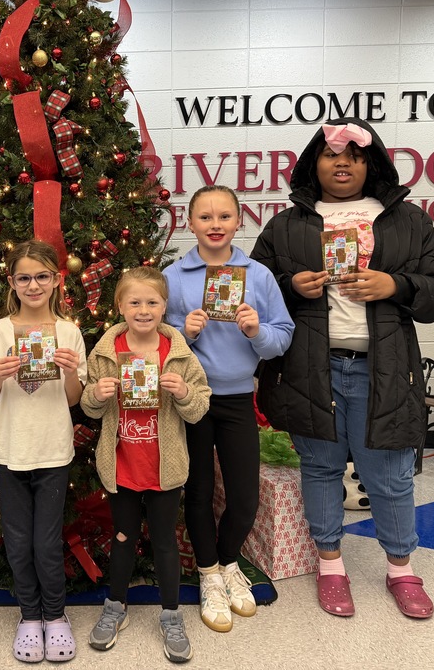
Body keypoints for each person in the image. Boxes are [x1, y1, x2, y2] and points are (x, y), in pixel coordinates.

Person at [250, 118, 434, 620]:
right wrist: (288, 285)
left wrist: (397, 286)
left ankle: (402, 570)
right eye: (330, 154)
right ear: (312, 163)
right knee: (320, 468)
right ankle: (331, 568)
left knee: (389, 474)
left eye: (355, 156)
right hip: (309, 366)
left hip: (381, 368)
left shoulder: (406, 220)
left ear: (373, 163)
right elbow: (253, 289)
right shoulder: (288, 224)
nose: (342, 163)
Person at [163, 185, 294, 633]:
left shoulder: (256, 275)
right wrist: (186, 331)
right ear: (190, 223)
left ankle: (227, 561)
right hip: (191, 399)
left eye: (224, 216)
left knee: (244, 497)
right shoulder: (174, 276)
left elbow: (283, 337)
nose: (214, 225)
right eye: (204, 217)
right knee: (197, 492)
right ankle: (208, 575)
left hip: (239, 397)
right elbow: (154, 342)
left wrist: (258, 331)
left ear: (240, 221)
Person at [81, 267, 212, 664]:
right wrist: (97, 395)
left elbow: (200, 406)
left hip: (165, 468)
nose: (143, 309)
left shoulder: (177, 352)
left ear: (164, 306)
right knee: (122, 537)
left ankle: (171, 614)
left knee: (164, 541)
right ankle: (115, 605)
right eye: (134, 302)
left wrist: (186, 392)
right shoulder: (107, 350)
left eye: (151, 302)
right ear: (119, 305)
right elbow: (88, 406)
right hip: (121, 468)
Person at [0, 240, 87, 664]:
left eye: (42, 276)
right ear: (12, 282)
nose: (34, 284)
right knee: (19, 541)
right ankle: (29, 616)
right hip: (10, 450)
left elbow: (74, 399)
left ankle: (55, 617)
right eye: (24, 277)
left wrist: (71, 371)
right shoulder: (1, 331)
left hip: (53, 451)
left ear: (57, 280)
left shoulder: (69, 330)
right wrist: (0, 375)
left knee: (46, 541)